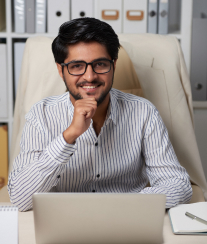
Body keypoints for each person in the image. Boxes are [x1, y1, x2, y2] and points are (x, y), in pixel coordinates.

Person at [8, 18, 192, 212]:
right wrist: (68, 136)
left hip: (127, 219)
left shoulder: (143, 112)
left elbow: (178, 185)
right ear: (61, 70)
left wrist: (131, 204)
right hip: (65, 221)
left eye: (100, 64)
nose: (90, 76)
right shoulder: (42, 115)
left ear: (113, 65)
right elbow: (21, 198)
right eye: (77, 66)